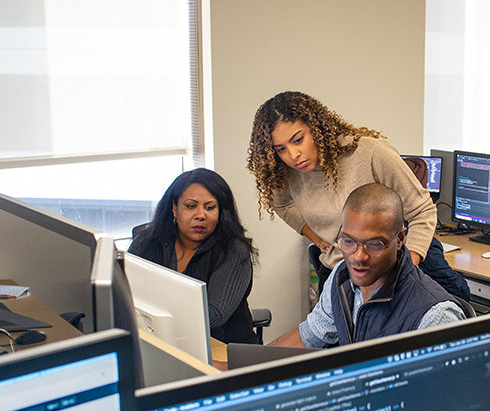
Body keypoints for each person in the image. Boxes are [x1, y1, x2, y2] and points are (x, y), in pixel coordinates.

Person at [246, 91, 437, 272]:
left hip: (388, 269)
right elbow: (283, 205)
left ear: (316, 128)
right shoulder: (287, 171)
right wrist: (317, 239)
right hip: (338, 272)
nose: (293, 155)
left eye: (298, 140)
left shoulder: (370, 153)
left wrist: (406, 272)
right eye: (280, 149)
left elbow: (422, 211)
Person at [270, 184, 465, 348]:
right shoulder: (342, 277)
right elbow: (310, 334)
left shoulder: (436, 317)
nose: (358, 256)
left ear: (400, 240)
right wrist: (251, 369)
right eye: (348, 241)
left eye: (375, 244)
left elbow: (442, 391)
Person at [129, 168, 259, 344]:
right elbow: (125, 294)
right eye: (190, 206)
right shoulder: (147, 241)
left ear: (220, 212)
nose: (200, 215)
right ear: (174, 208)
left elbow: (213, 316)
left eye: (210, 207)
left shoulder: (234, 250)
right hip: (160, 341)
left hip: (225, 350)